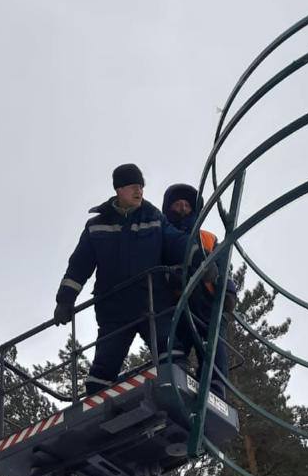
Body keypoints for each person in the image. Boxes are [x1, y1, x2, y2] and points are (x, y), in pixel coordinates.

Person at [53, 165, 193, 395]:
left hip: (153, 302)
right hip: (114, 308)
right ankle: (94, 411)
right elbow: (79, 266)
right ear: (119, 189)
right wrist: (65, 300)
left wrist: (202, 260)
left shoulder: (154, 217)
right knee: (104, 367)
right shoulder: (97, 226)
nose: (139, 192)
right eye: (133, 187)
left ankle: (182, 393)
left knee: (170, 350)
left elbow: (178, 243)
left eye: (141, 187)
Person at [161, 184, 237, 399]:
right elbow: (159, 265)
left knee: (213, 344)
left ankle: (215, 387)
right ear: (169, 208)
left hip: (207, 299)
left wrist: (228, 290)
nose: (183, 208)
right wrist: (171, 276)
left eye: (186, 205)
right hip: (179, 299)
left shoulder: (207, 238)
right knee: (177, 338)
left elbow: (223, 266)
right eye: (177, 204)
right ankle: (175, 374)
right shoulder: (166, 237)